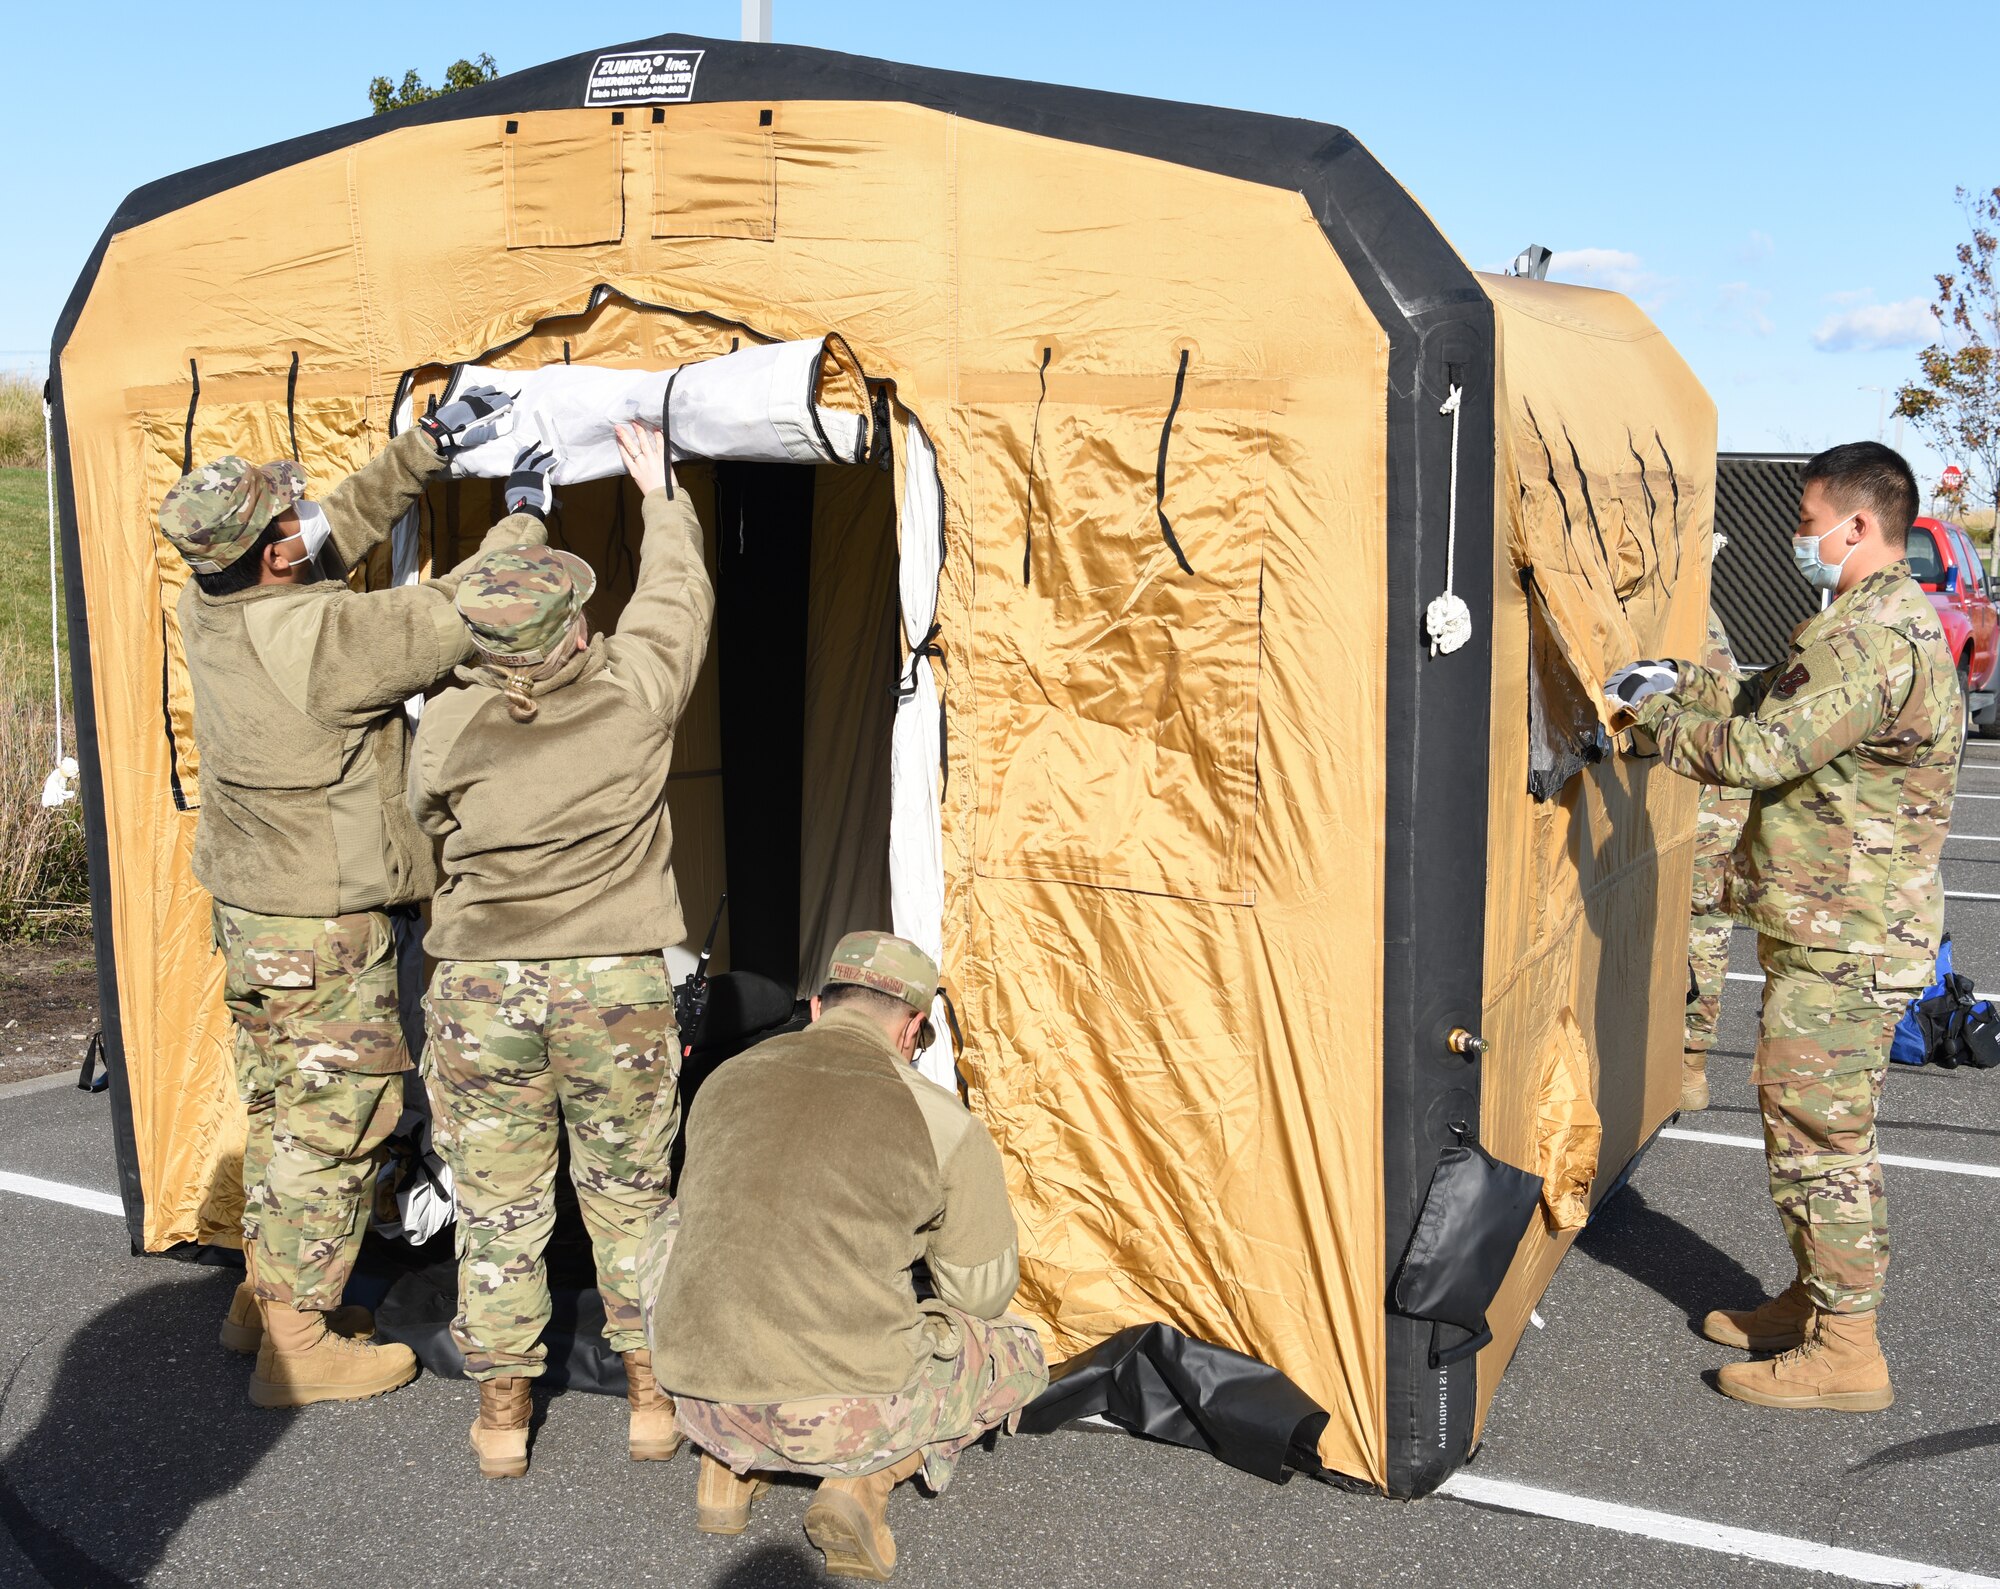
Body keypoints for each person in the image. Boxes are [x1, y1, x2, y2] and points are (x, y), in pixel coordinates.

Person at [158, 384, 536, 1407]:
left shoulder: (214, 594)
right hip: (320, 925)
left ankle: (263, 1297)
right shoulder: (328, 641)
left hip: (254, 909)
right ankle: (297, 1348)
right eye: (286, 517)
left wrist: (426, 447)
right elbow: (466, 606)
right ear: (271, 553)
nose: (303, 518)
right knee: (339, 1117)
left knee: (286, 1103)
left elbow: (327, 535)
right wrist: (527, 506)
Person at [1607, 441, 1958, 1413]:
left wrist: (1647, 723)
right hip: (1841, 927)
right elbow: (1765, 696)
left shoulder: (1871, 636)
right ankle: (1811, 1300)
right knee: (1809, 1129)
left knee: (1819, 1139)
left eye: (1805, 523)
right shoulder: (1863, 623)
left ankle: (1845, 1351)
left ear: (1855, 525)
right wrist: (1671, 673)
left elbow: (1759, 748)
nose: (1796, 538)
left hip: (1847, 938)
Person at [409, 421, 713, 1479]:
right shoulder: (632, 690)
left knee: (497, 1202)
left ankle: (500, 1418)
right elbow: (677, 602)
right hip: (610, 986)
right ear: (577, 620)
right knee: (631, 1194)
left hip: (481, 988)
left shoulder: (447, 724)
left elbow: (426, 835)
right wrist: (660, 497)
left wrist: (514, 512)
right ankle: (650, 1405)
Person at [643, 931, 1049, 1583]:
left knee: (670, 1226)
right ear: (914, 1027)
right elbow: (980, 1295)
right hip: (838, 1422)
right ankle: (864, 1483)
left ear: (816, 1009)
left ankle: (727, 1469)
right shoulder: (943, 1122)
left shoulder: (722, 1081)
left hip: (699, 1393)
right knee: (1016, 1345)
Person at [1681, 607, 1752, 1112]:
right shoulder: (1697, 609)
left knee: (1700, 934)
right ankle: (1689, 1070)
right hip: (1720, 802)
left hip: (1706, 803)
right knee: (1708, 935)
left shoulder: (1684, 614)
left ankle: (1686, 1069)